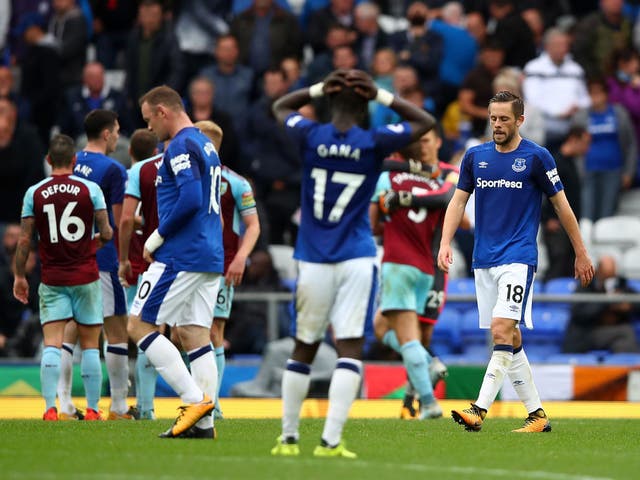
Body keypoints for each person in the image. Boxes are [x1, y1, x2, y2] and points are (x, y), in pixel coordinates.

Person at [270, 69, 435, 458]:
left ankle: (289, 438)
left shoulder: (310, 134)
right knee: (349, 348)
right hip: (357, 256)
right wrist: (381, 95)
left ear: (328, 103)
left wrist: (316, 89)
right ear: (365, 109)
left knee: (304, 346)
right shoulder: (374, 140)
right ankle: (329, 441)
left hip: (312, 256)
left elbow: (279, 106)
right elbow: (423, 122)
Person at [437, 90, 595, 433]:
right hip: (484, 259)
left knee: (501, 330)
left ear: (519, 120)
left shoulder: (537, 157)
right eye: (493, 118)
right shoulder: (475, 156)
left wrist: (581, 251)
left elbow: (562, 206)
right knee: (513, 337)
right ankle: (537, 415)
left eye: (504, 119)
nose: (497, 124)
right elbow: (457, 202)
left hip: (518, 257)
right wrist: (445, 241)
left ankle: (479, 409)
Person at [127, 85, 223, 439]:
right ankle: (205, 424)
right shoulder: (205, 143)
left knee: (138, 325)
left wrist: (156, 237)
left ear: (162, 112)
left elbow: (190, 199)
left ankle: (194, 400)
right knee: (194, 334)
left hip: (182, 253)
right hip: (209, 253)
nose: (149, 128)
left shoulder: (180, 144)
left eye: (149, 119)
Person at [13, 134, 113, 421]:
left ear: (48, 161)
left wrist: (20, 275)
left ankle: (49, 409)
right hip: (86, 277)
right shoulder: (90, 189)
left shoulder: (34, 193)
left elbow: (24, 241)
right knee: (91, 345)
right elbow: (107, 232)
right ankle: (93, 410)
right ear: (73, 161)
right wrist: (90, 244)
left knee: (52, 344)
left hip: (53, 278)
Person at [369, 131, 455, 421]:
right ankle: (422, 381)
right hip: (424, 267)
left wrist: (389, 215)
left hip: (398, 262)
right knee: (382, 325)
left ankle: (429, 401)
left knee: (407, 338)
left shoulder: (389, 179)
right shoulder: (434, 181)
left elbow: (372, 223)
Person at [56, 109, 130, 421]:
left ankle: (63, 403)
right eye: (115, 131)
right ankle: (118, 406)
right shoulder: (113, 169)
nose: (117, 137)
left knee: (70, 328)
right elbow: (120, 219)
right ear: (106, 133)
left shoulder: (69, 163)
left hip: (67, 255)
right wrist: (125, 258)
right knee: (116, 329)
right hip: (101, 257)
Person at [194, 120, 261, 420]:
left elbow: (253, 225)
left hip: (222, 266)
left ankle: (213, 402)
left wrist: (240, 258)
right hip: (188, 264)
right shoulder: (187, 175)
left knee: (213, 331)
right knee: (187, 332)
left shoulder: (235, 182)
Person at [118, 128, 163, 420]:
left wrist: (121, 258)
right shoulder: (166, 174)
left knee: (127, 335)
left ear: (131, 152)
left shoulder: (130, 176)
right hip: (162, 264)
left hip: (134, 267)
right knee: (158, 334)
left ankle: (131, 406)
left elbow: (123, 220)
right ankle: (147, 406)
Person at [563, 255, 640, 354]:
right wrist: (607, 303)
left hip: (610, 331)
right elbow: (579, 313)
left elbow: (636, 301)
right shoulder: (585, 285)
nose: (609, 280)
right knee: (625, 332)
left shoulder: (621, 285)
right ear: (598, 271)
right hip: (586, 333)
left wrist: (629, 306)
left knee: (623, 341)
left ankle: (625, 366)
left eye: (612, 276)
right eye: (606, 276)